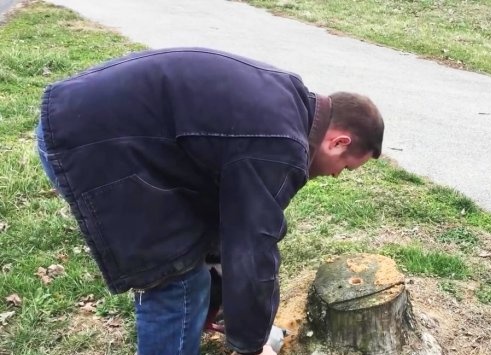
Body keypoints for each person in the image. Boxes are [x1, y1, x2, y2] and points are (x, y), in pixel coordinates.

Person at [35, 47, 384, 355]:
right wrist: (252, 343)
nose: (337, 175)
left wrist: (219, 299)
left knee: (190, 265)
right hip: (89, 141)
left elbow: (223, 215)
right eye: (346, 167)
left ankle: (195, 320)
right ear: (338, 142)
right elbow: (252, 244)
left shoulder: (289, 106)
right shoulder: (280, 145)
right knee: (174, 281)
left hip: (97, 122)